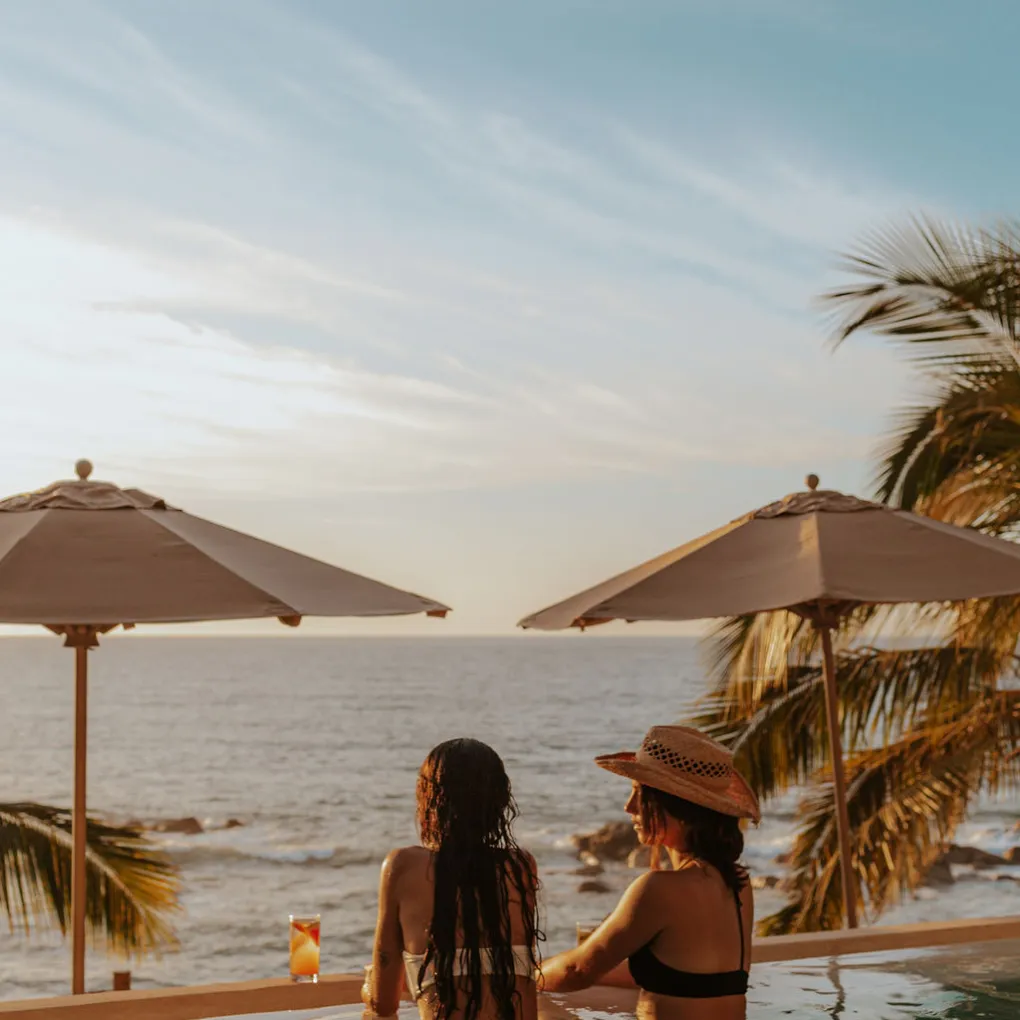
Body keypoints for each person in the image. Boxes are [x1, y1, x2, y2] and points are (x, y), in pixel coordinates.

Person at [540, 725, 760, 1020]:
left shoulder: (658, 888)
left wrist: (526, 975)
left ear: (675, 808)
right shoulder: (739, 883)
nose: (629, 808)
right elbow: (686, 973)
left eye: (638, 796)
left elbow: (577, 971)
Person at [362, 738, 542, 1020]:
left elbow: (383, 1004)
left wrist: (368, 985)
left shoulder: (403, 866)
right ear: (499, 804)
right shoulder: (521, 867)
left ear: (429, 799)